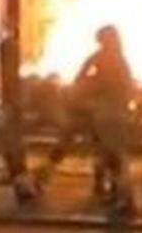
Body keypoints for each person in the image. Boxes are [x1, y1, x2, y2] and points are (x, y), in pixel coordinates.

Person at [39, 25, 136, 217]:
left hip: (107, 114)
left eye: (102, 41)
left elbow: (86, 79)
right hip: (108, 114)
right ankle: (112, 192)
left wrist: (87, 90)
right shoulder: (117, 60)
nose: (101, 45)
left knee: (112, 155)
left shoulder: (105, 60)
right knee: (108, 154)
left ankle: (123, 198)